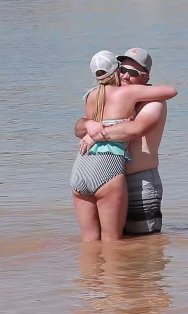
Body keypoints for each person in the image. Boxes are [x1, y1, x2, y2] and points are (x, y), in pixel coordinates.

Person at [70, 51, 177, 242]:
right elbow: (79, 128)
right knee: (114, 244)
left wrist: (96, 135)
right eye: (123, 70)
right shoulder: (108, 97)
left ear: (146, 76)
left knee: (144, 250)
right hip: (110, 177)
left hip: (139, 182)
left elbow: (136, 128)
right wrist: (88, 124)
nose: (126, 76)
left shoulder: (153, 101)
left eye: (133, 72)